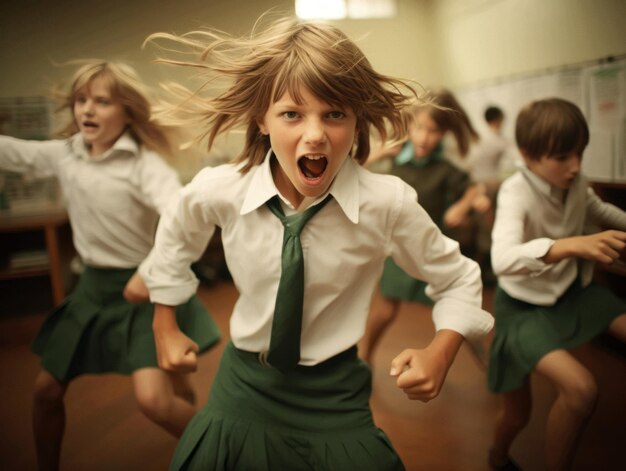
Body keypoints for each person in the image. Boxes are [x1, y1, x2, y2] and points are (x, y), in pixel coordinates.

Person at [139, 16, 493, 470]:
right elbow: (174, 237)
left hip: (336, 389)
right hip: (244, 382)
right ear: (261, 120)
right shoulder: (221, 189)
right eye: (292, 113)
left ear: (356, 121)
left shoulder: (386, 203)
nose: (315, 134)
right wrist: (163, 324)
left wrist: (441, 351)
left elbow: (458, 277)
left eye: (334, 114)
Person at [0, 60, 221, 471]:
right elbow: (15, 153)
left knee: (154, 402)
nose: (87, 110)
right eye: (81, 100)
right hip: (92, 288)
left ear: (127, 112)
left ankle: (229, 456)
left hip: (140, 290)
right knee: (46, 390)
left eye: (102, 102)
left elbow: (183, 220)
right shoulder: (67, 155)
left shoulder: (143, 164)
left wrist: (149, 271)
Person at [487, 98, 626, 471]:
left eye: (580, 153)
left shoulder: (576, 182)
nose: (576, 166)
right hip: (522, 308)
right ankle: (497, 458)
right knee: (523, 413)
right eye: (562, 157)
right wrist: (568, 246)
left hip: (570, 293)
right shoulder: (514, 191)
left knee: (582, 390)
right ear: (528, 155)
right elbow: (501, 260)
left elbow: (598, 210)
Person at [360, 89, 491, 364]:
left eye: (433, 131)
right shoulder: (395, 156)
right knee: (385, 310)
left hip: (429, 248)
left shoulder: (445, 167)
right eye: (419, 128)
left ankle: (487, 361)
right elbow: (352, 168)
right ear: (410, 124)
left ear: (443, 134)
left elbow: (472, 188)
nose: (423, 137)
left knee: (455, 313)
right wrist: (377, 153)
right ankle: (364, 357)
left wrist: (464, 205)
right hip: (396, 247)